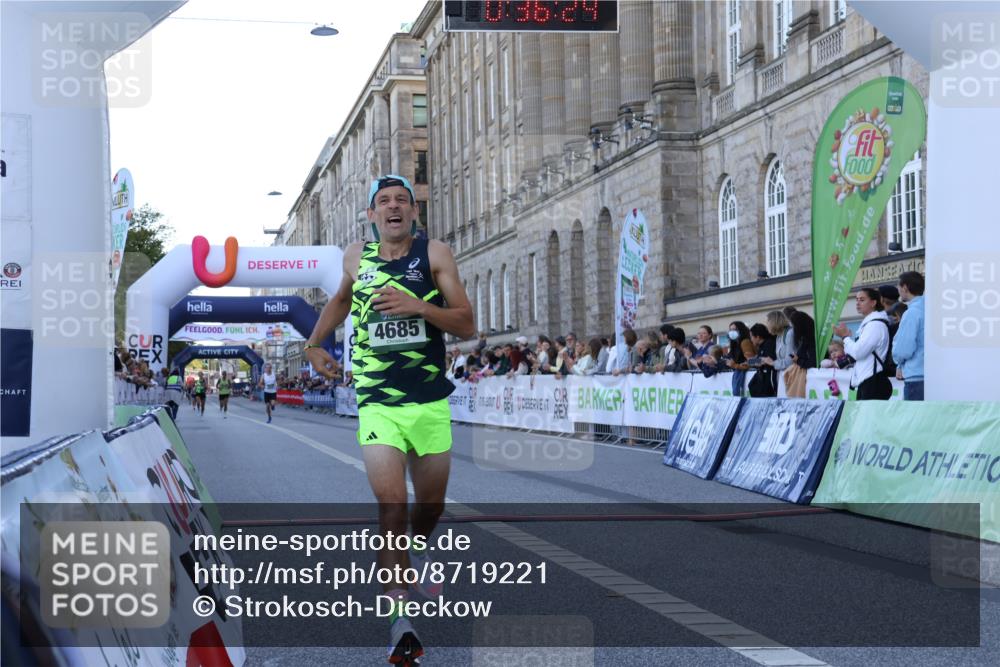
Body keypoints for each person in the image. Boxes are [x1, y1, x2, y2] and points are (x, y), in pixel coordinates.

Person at [302, 174, 474, 663]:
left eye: (402, 200)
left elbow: (466, 322)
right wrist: (314, 344)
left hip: (428, 400)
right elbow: (340, 300)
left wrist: (419, 306)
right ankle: (400, 622)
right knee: (392, 505)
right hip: (378, 400)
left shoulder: (435, 254)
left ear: (414, 212)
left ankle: (416, 548)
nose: (394, 206)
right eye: (384, 201)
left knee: (430, 509)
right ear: (372, 214)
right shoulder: (356, 257)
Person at [834, 287, 892, 400]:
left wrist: (845, 337)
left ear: (873, 303)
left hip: (873, 381)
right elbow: (856, 352)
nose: (857, 303)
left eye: (862, 299)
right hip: (868, 380)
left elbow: (858, 353)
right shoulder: (870, 324)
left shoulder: (875, 325)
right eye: (856, 299)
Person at [893, 271, 925, 400]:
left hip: (915, 375)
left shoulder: (912, 313)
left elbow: (903, 349)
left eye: (899, 286)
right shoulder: (931, 310)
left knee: (915, 413)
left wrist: (899, 363)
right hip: (932, 374)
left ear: (905, 287)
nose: (898, 290)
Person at [785, 311, 817, 398]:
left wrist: (798, 360)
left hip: (807, 378)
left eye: (793, 325)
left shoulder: (810, 340)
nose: (792, 329)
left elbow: (812, 362)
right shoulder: (808, 337)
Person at [724, 321, 756, 396]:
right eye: (730, 330)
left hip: (746, 374)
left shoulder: (745, 342)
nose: (732, 332)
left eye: (735, 329)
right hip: (740, 373)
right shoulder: (735, 344)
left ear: (741, 330)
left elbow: (753, 361)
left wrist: (735, 365)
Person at [761, 310, 795, 380]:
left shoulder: (789, 334)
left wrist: (773, 363)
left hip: (792, 376)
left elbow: (790, 361)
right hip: (784, 376)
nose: (766, 326)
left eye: (767, 322)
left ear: (774, 322)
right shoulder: (779, 336)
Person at [747, 323, 778, 397]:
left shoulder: (769, 344)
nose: (751, 339)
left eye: (751, 337)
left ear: (757, 337)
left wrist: (751, 361)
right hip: (763, 379)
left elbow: (766, 360)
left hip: (769, 380)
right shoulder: (761, 346)